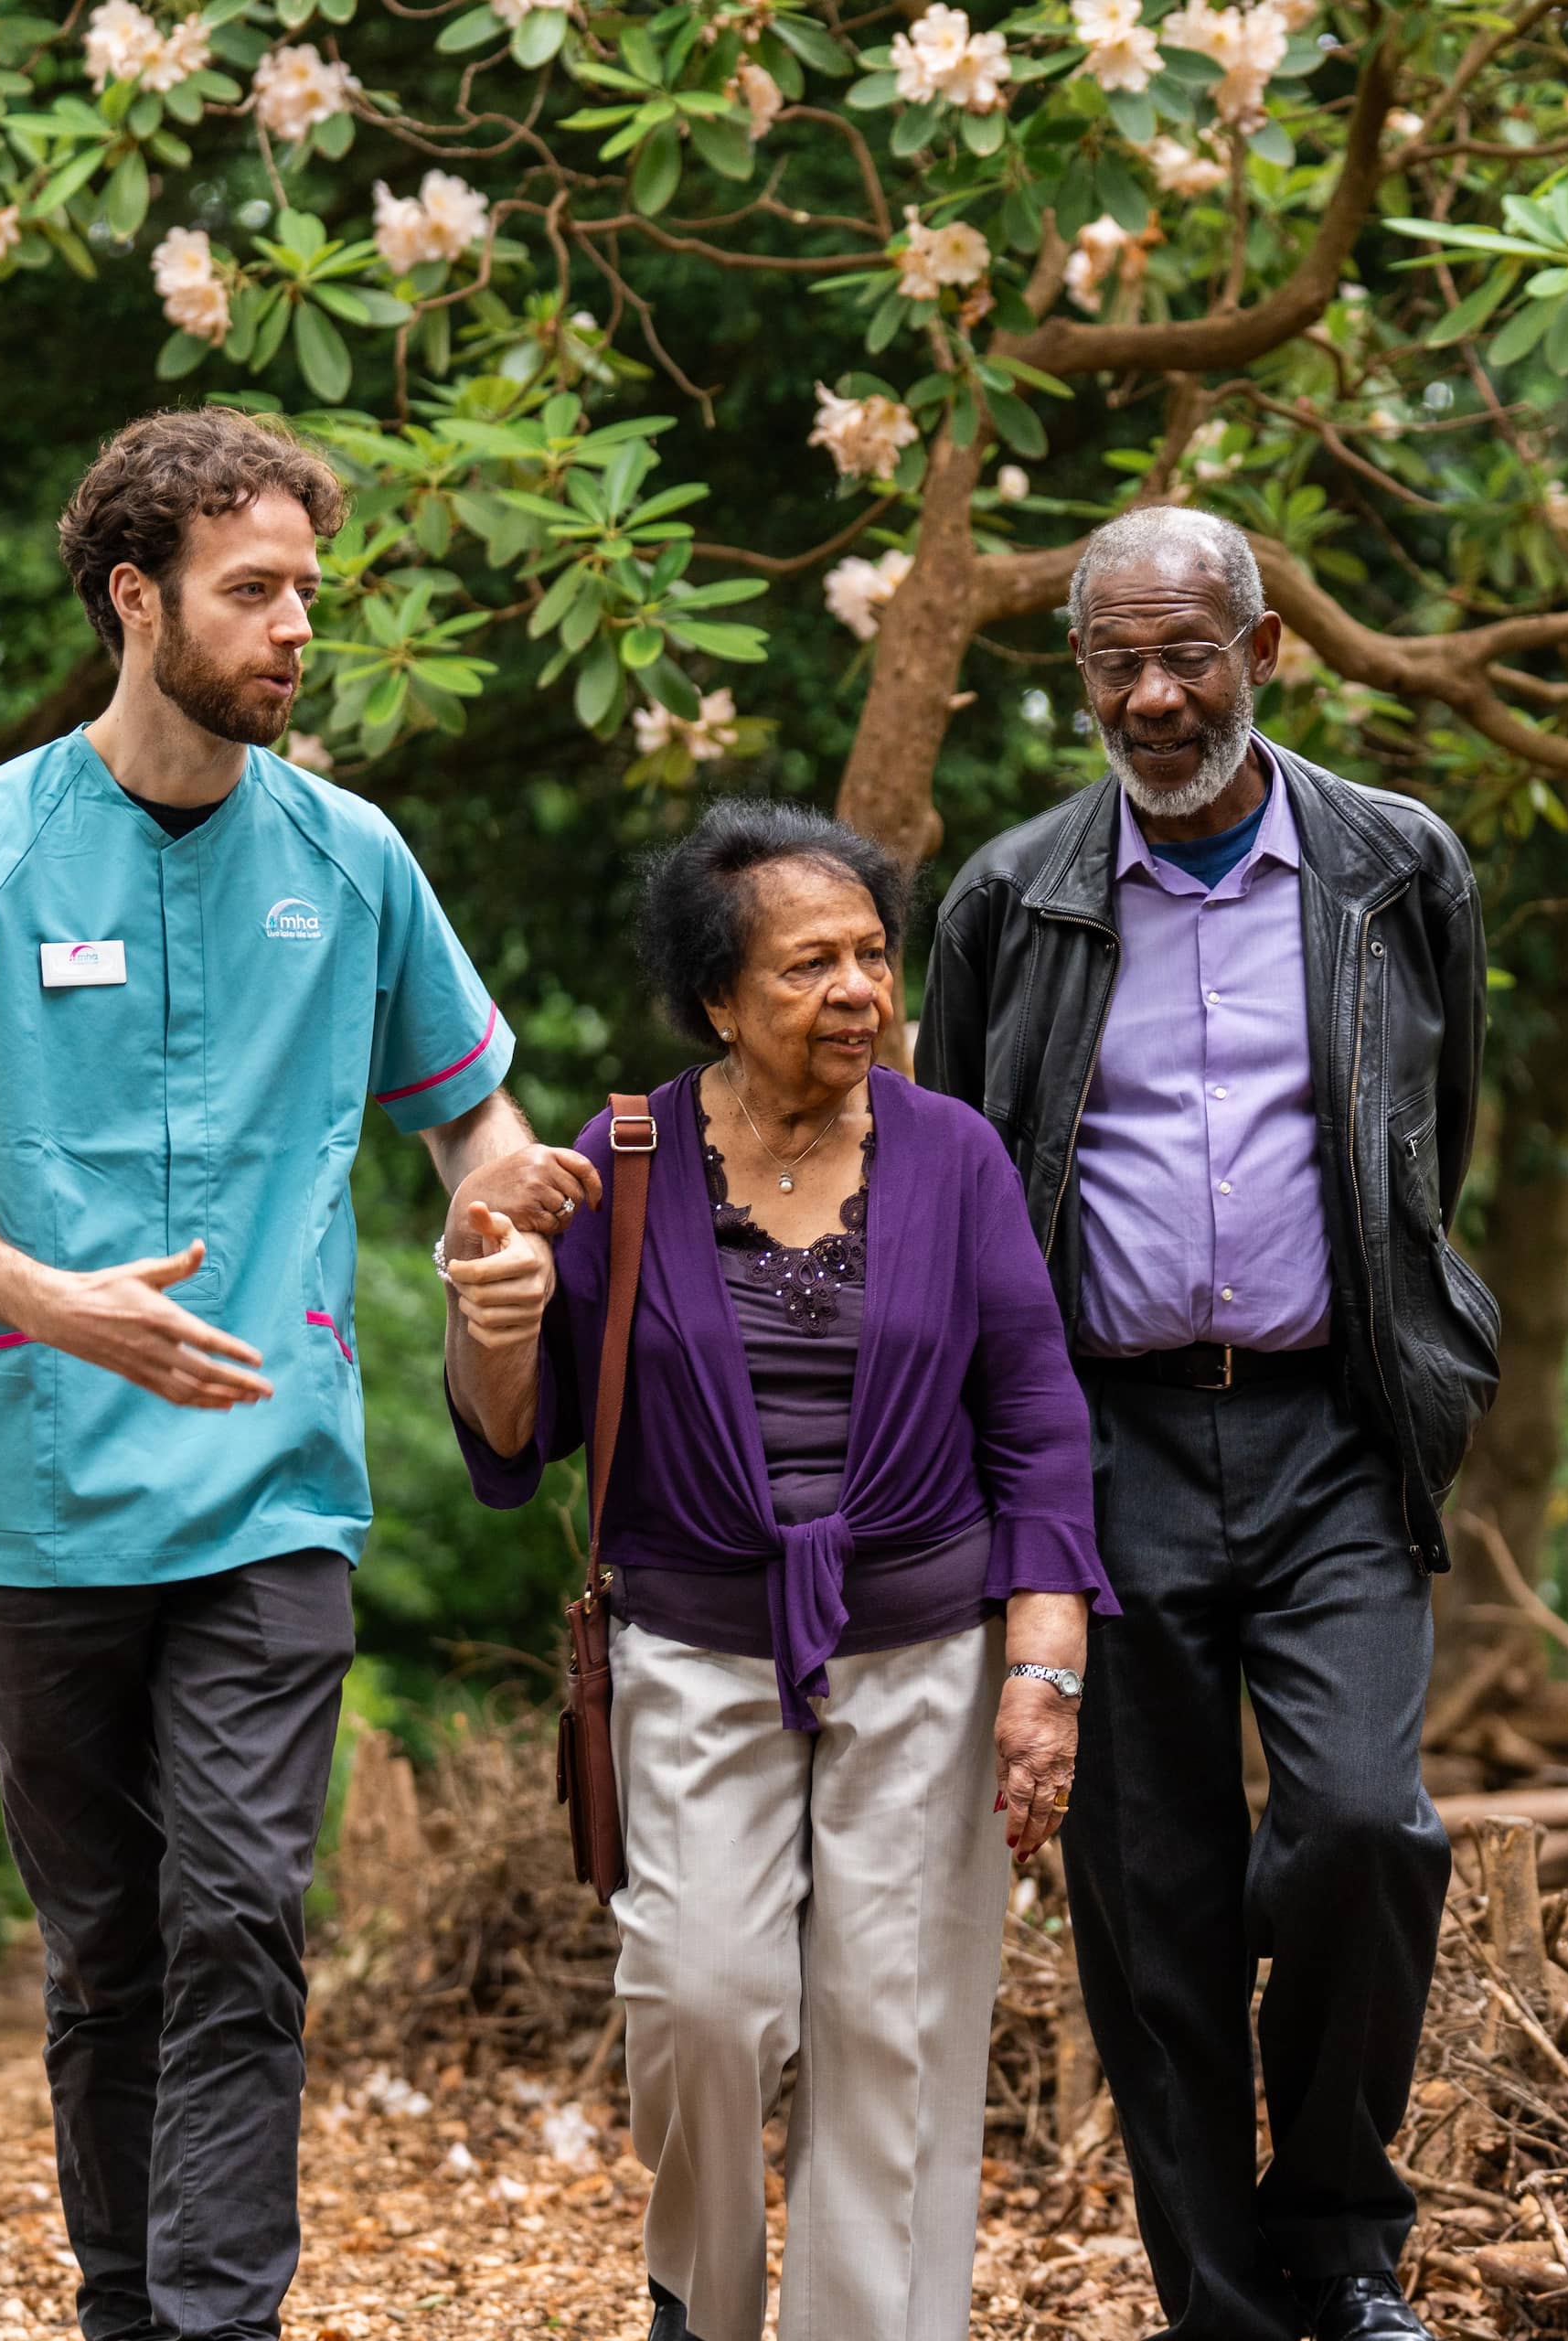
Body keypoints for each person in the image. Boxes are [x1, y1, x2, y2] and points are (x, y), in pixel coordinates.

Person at [0, 406, 591, 2341]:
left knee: (240, 1912)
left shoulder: (357, 856)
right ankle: (132, 2310)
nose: (298, 626)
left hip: (270, 1474)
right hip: (36, 1479)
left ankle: (214, 2324)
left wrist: (511, 1224)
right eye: (257, 591)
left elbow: (472, 1128)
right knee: (108, 1948)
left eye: (308, 589)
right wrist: (50, 1298)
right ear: (138, 599)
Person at [918, 506, 1502, 2341]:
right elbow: (964, 1191)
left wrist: (1413, 1360)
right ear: (1079, 675)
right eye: (1119, 663)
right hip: (1108, 1442)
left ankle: (1339, 2240)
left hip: (1337, 1428)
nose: (1156, 696)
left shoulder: (1399, 870)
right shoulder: (1009, 902)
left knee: (1356, 1827)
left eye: (1190, 656)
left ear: (1267, 654)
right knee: (1149, 1890)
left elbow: (1437, 1144)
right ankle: (1225, 2308)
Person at [440, 798, 1112, 2341]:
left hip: (926, 1650)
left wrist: (1043, 1671)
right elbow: (519, 1429)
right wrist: (489, 1321)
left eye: (873, 956)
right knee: (702, 1998)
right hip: (691, 1651)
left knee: (895, 2036)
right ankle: (705, 2303)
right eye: (809, 968)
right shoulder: (620, 1162)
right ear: (719, 1002)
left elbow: (1038, 1424)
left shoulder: (956, 1157)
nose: (859, 993)